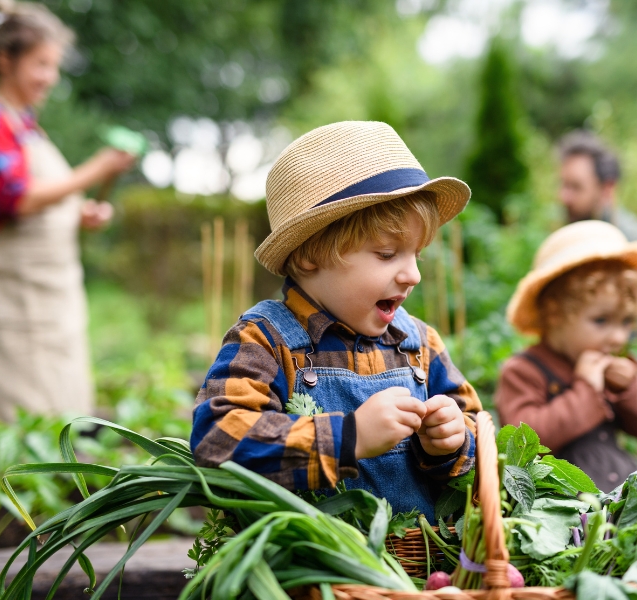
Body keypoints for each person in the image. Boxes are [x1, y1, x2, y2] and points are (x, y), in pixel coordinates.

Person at [191, 121, 481, 521]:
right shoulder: (267, 341)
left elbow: (478, 431)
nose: (412, 274)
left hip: (420, 573)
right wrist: (349, 437)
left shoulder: (418, 345)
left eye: (417, 254)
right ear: (311, 255)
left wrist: (453, 441)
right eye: (386, 254)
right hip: (309, 574)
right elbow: (218, 439)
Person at [0, 0, 135, 422]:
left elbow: (42, 202)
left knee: (59, 408)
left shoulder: (27, 126)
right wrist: (96, 169)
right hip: (14, 298)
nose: (50, 78)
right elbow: (18, 197)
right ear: (5, 59)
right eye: (40, 64)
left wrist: (79, 213)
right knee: (17, 415)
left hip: (52, 298)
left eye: (54, 66)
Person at [495, 221, 637, 492]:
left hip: (619, 489)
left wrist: (629, 387)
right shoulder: (523, 371)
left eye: (626, 321)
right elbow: (524, 442)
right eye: (601, 320)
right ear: (555, 313)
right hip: (560, 501)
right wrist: (587, 389)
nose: (618, 337)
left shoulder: (610, 365)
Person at [558, 130, 637, 354]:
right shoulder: (582, 232)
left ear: (606, 189)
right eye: (563, 185)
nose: (564, 197)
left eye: (576, 187)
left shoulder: (631, 247)